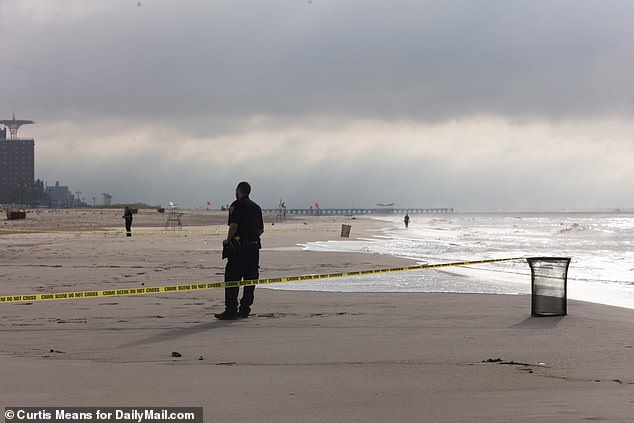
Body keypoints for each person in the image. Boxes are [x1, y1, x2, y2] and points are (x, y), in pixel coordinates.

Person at [215, 181, 264, 320]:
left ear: (238, 190)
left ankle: (231, 310)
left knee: (232, 277)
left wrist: (229, 240)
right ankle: (244, 309)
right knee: (250, 279)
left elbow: (234, 225)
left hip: (239, 248)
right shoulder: (256, 207)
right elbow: (261, 230)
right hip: (254, 247)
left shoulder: (236, 205)